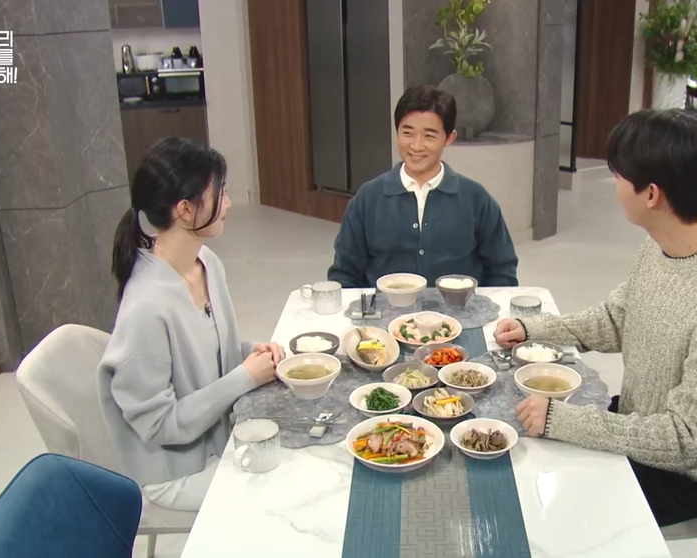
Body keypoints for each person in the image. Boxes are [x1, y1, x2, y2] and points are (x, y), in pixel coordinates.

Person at [495, 109, 697, 527]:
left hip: (679, 475)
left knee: (541, 505)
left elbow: (688, 439)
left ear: (651, 194)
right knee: (521, 453)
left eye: (618, 175)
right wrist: (534, 329)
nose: (615, 186)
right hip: (635, 426)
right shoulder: (660, 247)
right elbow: (616, 320)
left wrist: (565, 420)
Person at [97, 138, 285, 512]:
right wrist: (245, 377)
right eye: (221, 194)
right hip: (174, 469)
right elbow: (161, 426)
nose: (228, 204)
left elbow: (212, 351)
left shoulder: (207, 263)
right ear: (185, 210)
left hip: (217, 436)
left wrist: (253, 353)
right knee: (280, 493)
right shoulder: (146, 307)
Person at [327, 85, 519, 288]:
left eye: (429, 136)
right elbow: (344, 275)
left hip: (459, 308)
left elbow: (502, 272)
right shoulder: (368, 198)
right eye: (407, 133)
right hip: (383, 309)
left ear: (449, 138)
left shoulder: (476, 199)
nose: (416, 146)